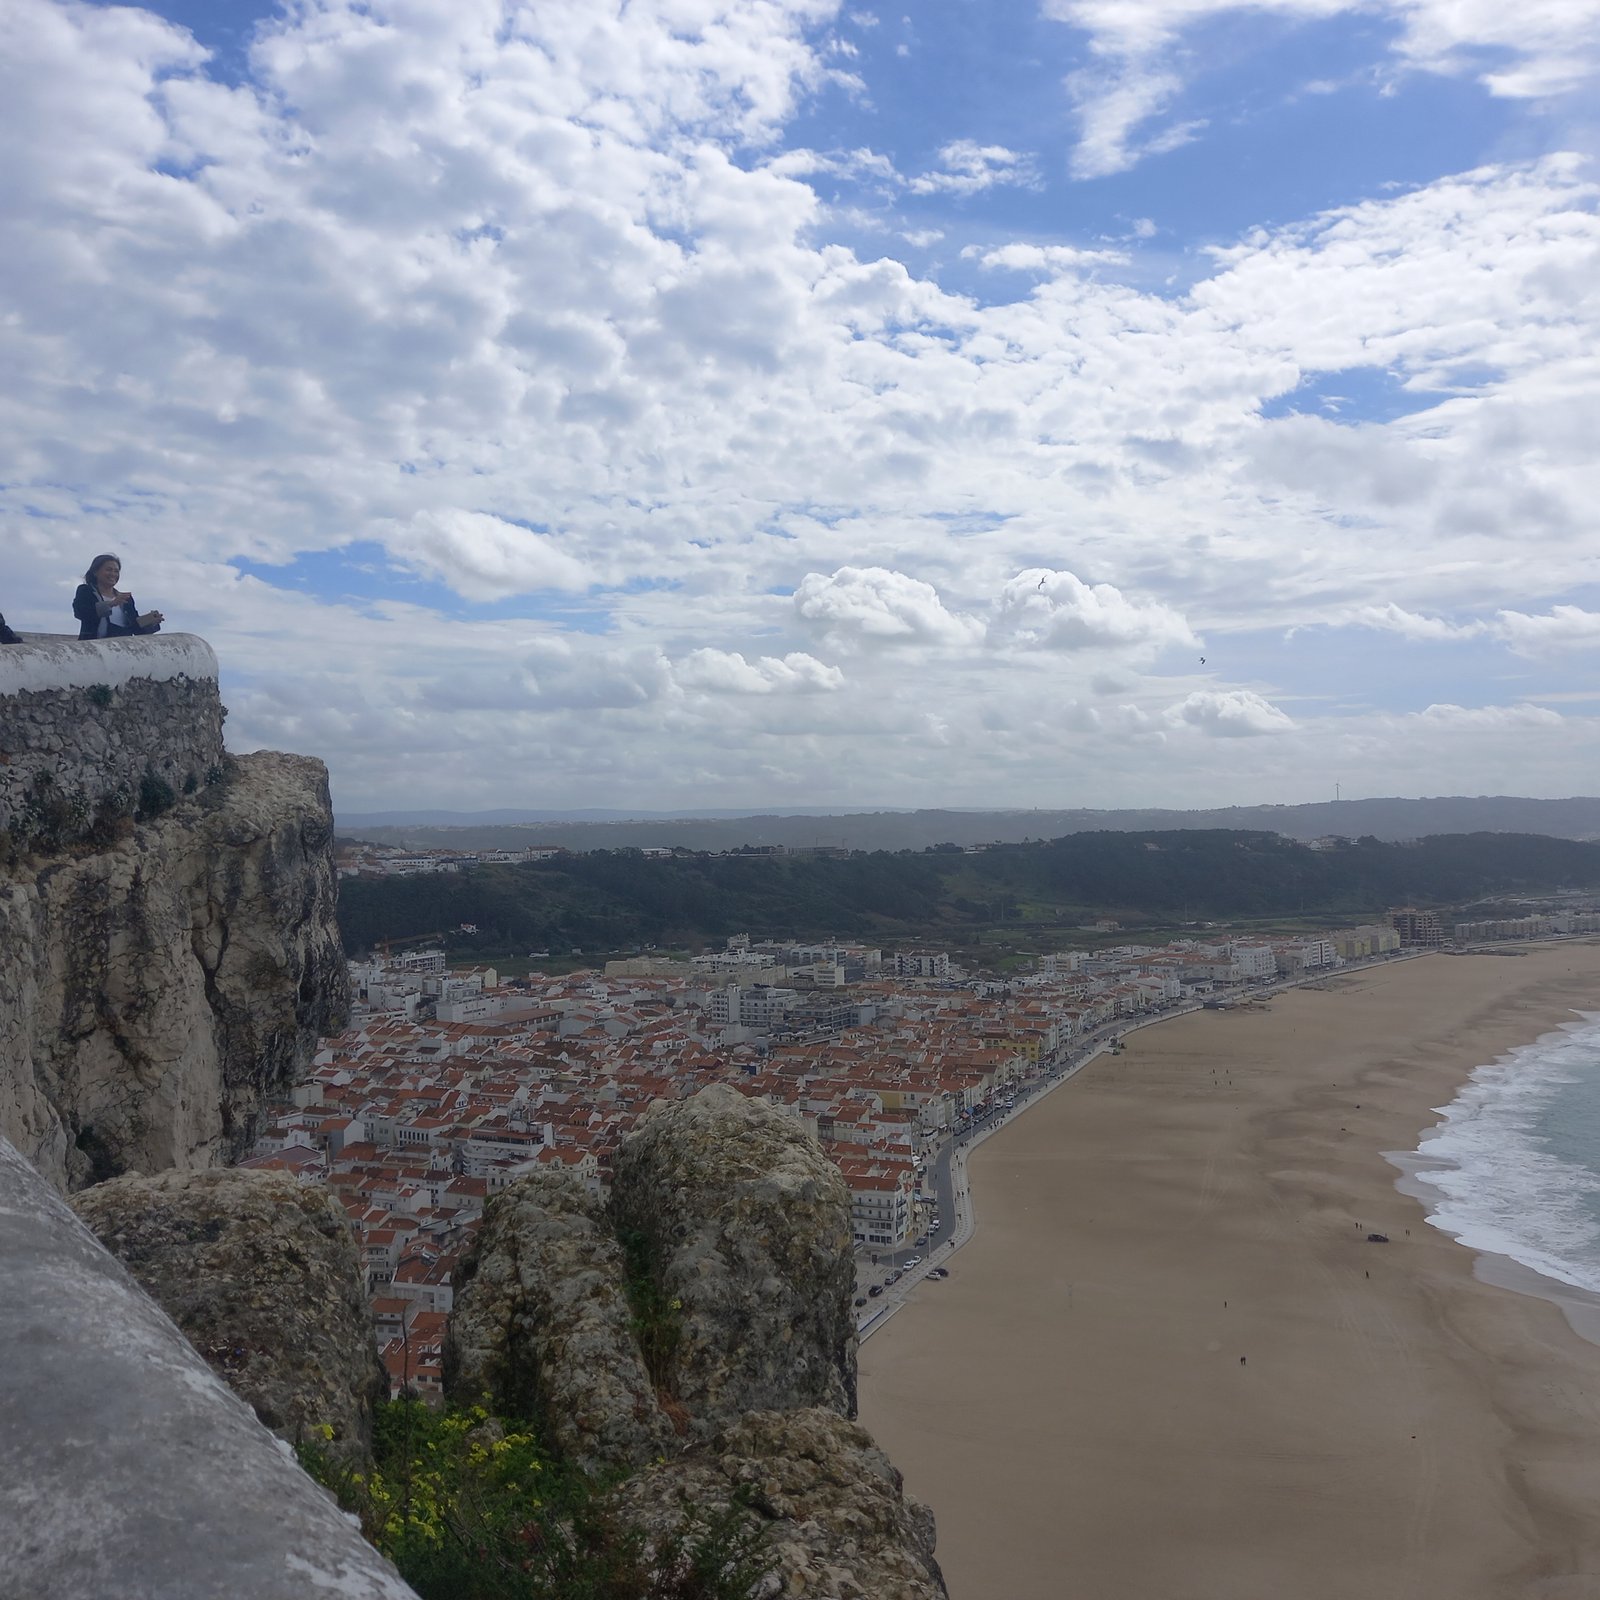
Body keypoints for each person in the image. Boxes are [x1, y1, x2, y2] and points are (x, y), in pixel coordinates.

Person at [73, 554, 164, 640]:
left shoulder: (126, 599)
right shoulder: (85, 590)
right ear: (95, 572)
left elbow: (136, 629)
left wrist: (151, 622)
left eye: (116, 571)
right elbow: (81, 613)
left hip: (121, 648)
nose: (113, 574)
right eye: (109, 570)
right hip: (95, 648)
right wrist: (110, 604)